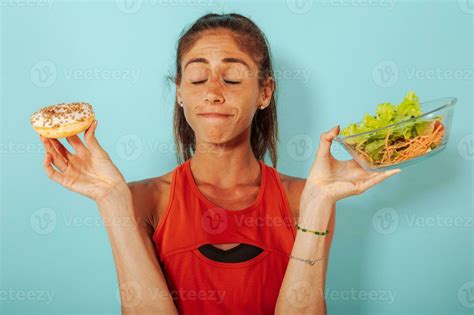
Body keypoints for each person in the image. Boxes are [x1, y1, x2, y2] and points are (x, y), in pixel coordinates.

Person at [39, 13, 400, 315]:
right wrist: (111, 201)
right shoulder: (143, 199)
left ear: (265, 92)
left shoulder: (304, 197)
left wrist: (320, 204)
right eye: (197, 78)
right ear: (180, 92)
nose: (213, 91)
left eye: (232, 77)